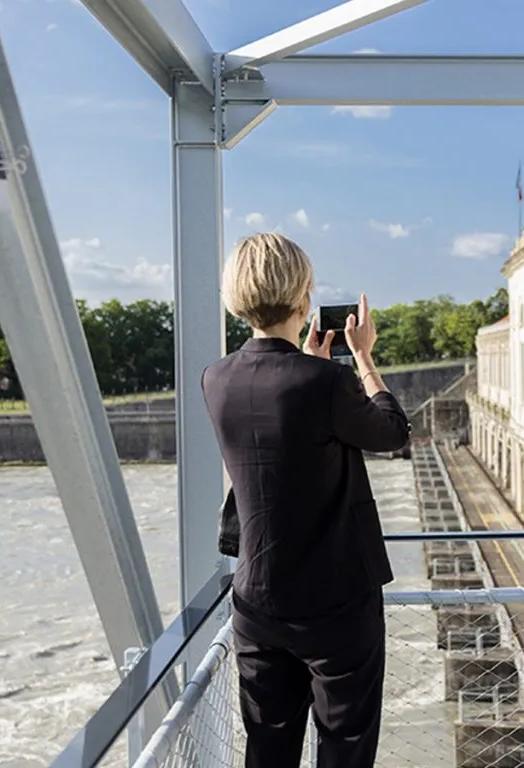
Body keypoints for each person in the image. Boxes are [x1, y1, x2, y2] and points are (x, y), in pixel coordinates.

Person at [200, 232, 411, 768]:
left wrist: (310, 364)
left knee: (268, 748)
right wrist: (361, 358)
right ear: (305, 297)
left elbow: (278, 440)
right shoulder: (328, 382)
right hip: (336, 604)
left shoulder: (215, 379)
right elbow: (392, 432)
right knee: (344, 745)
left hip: (257, 599)